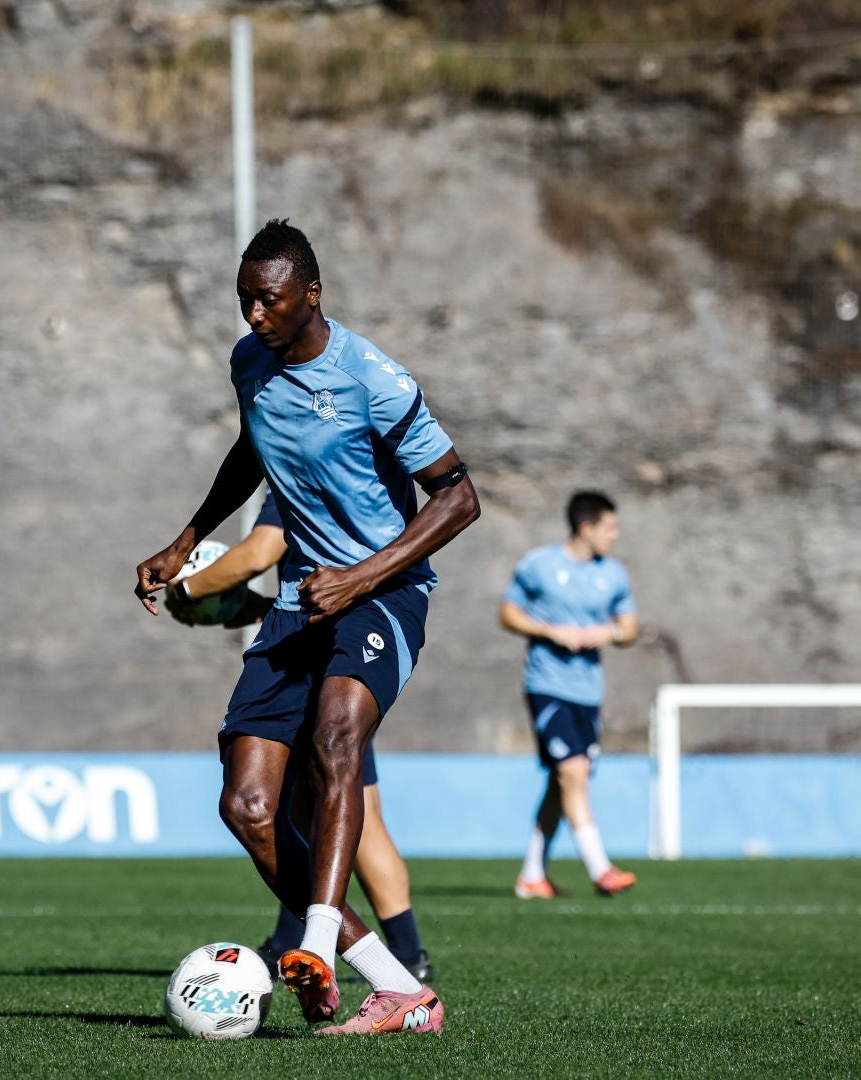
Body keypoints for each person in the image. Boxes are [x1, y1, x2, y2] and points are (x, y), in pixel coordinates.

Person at [136, 220, 478, 1036]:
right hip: (299, 602)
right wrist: (187, 539)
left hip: (383, 593)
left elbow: (460, 498)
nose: (254, 314)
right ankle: (397, 987)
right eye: (245, 299)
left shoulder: (372, 379)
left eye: (269, 299)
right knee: (248, 805)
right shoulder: (249, 363)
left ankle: (316, 942)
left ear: (311, 294)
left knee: (335, 742)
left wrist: (361, 576)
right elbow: (252, 450)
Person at [174, 491, 432, 980]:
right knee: (302, 813)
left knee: (346, 816)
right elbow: (300, 588)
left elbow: (258, 552)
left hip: (330, 662)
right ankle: (306, 943)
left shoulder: (300, 473)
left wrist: (190, 589)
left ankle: (402, 954)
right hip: (328, 647)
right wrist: (245, 604)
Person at [499, 491, 640, 899]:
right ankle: (601, 870)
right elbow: (507, 613)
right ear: (586, 527)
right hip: (547, 686)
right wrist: (549, 630)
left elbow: (629, 628)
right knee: (574, 773)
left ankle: (532, 876)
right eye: (610, 527)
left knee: (563, 782)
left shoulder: (614, 574)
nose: (616, 535)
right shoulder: (539, 565)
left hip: (588, 691)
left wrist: (607, 633)